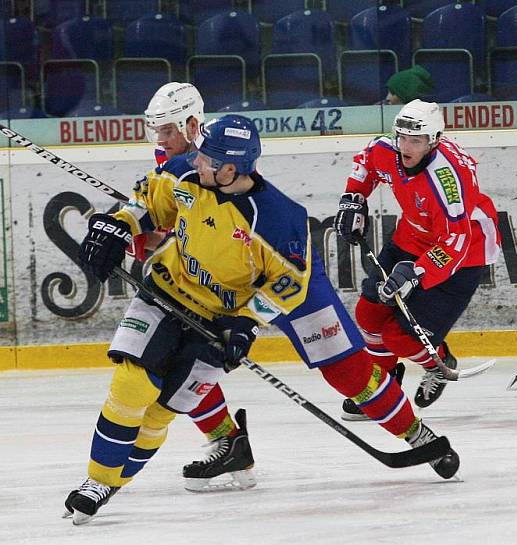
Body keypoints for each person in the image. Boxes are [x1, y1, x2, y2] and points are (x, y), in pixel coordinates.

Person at [64, 114, 459, 525]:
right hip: (182, 293)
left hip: (264, 298)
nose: (195, 160)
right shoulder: (186, 172)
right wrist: (117, 226)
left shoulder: (278, 221)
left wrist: (248, 323)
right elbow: (146, 202)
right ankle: (122, 473)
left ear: (231, 168)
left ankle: (415, 434)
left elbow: (287, 287)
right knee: (142, 380)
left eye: (206, 158)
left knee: (348, 373)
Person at [334, 99, 501, 420]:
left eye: (416, 140)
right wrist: (353, 199)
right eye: (402, 138)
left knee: (400, 337)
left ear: (433, 140)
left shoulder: (449, 181)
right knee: (368, 314)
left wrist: (418, 272)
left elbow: (456, 239)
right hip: (411, 238)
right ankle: (380, 386)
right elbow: (366, 162)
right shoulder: (388, 150)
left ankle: (439, 361)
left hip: (463, 255)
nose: (406, 147)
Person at [132, 82, 257, 493]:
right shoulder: (168, 154)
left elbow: (232, 229)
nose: (160, 139)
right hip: (183, 277)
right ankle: (228, 441)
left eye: (167, 130)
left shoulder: (220, 157)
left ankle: (228, 440)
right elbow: (162, 214)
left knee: (187, 363)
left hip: (218, 283)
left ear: (191, 123)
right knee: (179, 365)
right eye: (156, 130)